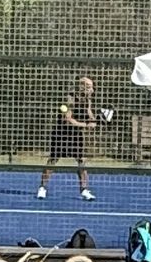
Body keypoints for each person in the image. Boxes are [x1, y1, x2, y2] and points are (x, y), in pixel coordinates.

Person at [39, 75, 103, 203]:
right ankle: (42, 188)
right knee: (53, 160)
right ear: (82, 87)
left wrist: (94, 121)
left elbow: (89, 112)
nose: (92, 90)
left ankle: (84, 189)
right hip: (61, 133)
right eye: (90, 87)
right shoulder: (70, 99)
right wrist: (85, 125)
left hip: (76, 135)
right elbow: (67, 120)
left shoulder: (87, 99)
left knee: (82, 160)